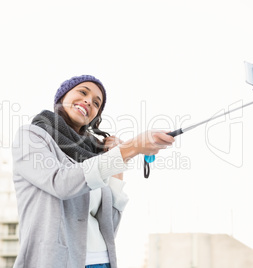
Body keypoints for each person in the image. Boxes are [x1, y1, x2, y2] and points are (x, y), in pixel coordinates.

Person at [12, 75, 175, 268]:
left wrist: (119, 161)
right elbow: (61, 183)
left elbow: (109, 226)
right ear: (62, 97)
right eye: (83, 92)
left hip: (102, 262)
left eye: (97, 103)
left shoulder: (96, 157)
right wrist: (130, 148)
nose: (89, 101)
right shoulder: (31, 136)